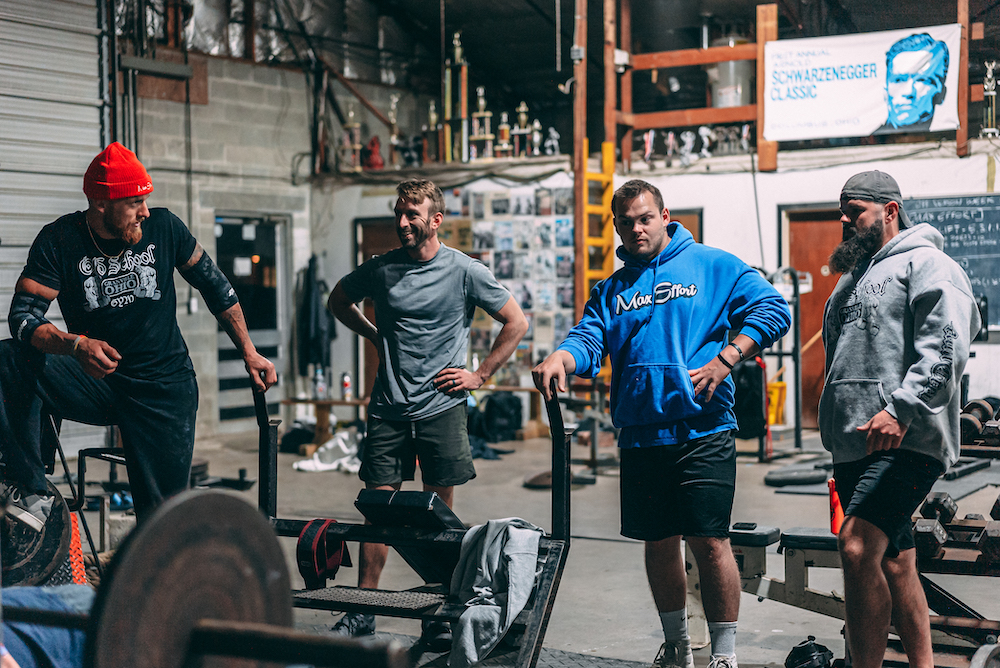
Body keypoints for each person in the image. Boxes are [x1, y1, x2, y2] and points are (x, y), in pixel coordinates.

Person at [533, 180, 790, 668]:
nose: (637, 229)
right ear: (617, 226)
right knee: (658, 542)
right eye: (626, 222)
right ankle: (677, 646)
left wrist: (727, 359)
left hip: (703, 430)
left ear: (665, 216)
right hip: (642, 435)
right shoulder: (611, 290)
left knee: (710, 541)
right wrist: (561, 358)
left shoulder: (713, 265)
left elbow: (773, 309)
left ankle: (725, 655)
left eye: (645, 218)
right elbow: (589, 339)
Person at [0, 142, 276, 529]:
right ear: (101, 202)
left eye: (145, 200)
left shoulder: (165, 227)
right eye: (134, 203)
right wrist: (75, 345)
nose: (145, 211)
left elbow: (216, 287)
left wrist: (249, 350)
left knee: (161, 523)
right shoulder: (60, 239)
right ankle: (32, 491)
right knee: (9, 358)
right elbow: (23, 318)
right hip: (99, 380)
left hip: (164, 388)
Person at [326, 178, 528, 644]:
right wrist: (374, 333)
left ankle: (439, 611)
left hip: (441, 407)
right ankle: (364, 609)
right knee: (377, 509)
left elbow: (516, 322)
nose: (402, 222)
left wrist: (479, 376)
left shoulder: (464, 270)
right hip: (389, 407)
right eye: (398, 213)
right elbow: (338, 300)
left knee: (437, 516)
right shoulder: (381, 269)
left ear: (435, 220)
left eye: (411, 214)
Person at [819, 171, 979, 668]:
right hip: (855, 441)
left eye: (855, 211)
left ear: (889, 210)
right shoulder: (850, 279)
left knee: (856, 547)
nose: (845, 221)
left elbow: (946, 350)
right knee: (896, 562)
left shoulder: (929, 264)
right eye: (842, 212)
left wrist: (900, 408)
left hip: (905, 437)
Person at [876, 33, 949, 134]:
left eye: (922, 80)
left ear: (941, 93)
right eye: (899, 80)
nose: (909, 92)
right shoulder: (867, 140)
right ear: (885, 91)